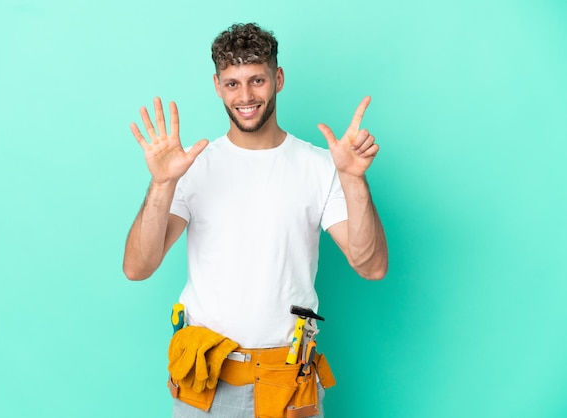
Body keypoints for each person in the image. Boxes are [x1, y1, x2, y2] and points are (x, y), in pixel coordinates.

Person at [123, 22, 388, 418]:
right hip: (203, 382)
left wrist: (353, 179)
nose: (245, 96)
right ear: (217, 85)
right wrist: (162, 183)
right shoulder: (192, 168)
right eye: (232, 83)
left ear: (277, 78)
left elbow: (371, 266)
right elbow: (138, 267)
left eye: (257, 80)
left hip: (287, 384)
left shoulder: (319, 166)